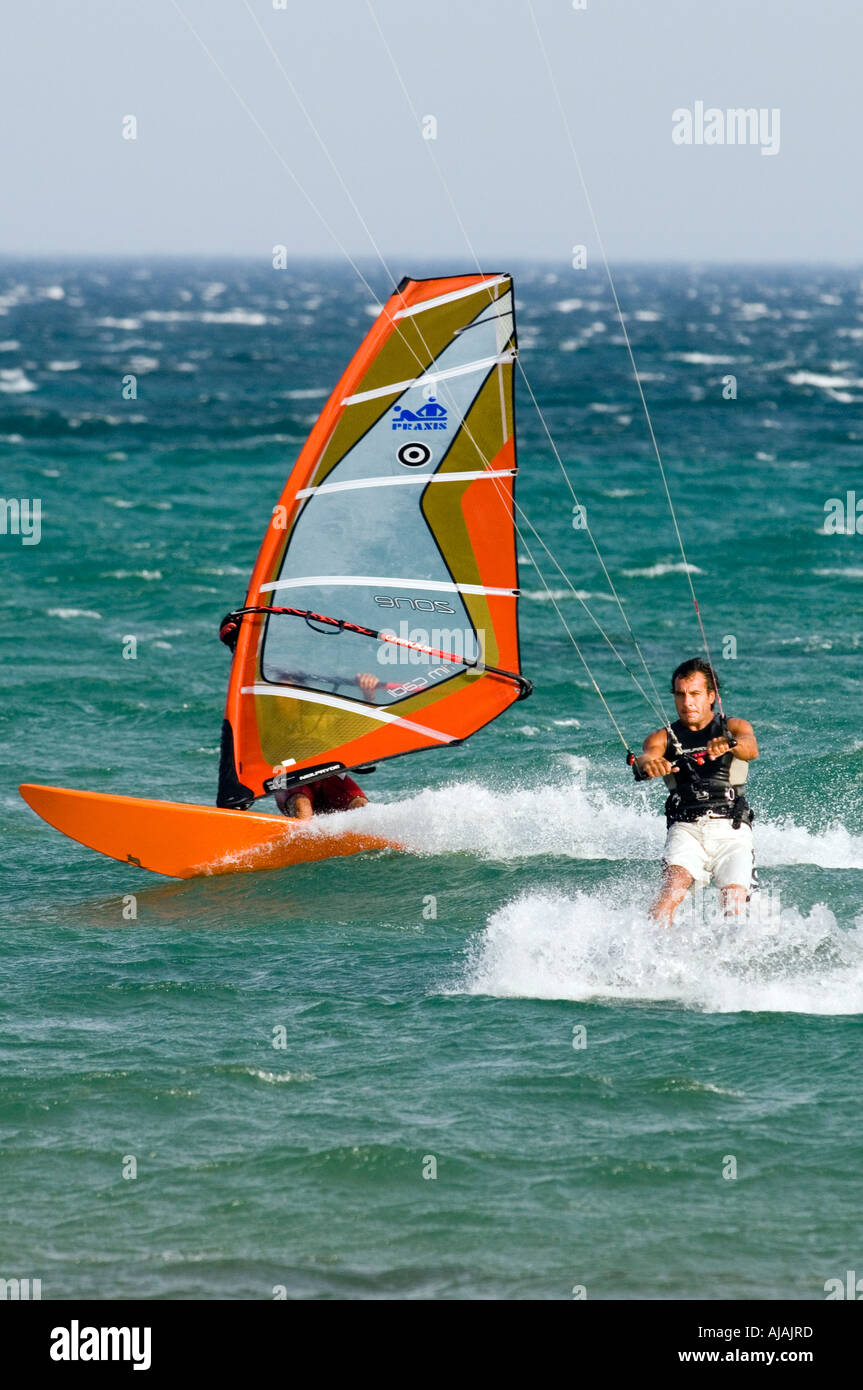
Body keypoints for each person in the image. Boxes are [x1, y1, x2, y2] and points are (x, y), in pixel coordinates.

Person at [634, 658, 759, 926]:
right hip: (686, 829)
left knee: (734, 903)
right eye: (680, 694)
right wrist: (650, 764)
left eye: (694, 694)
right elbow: (645, 758)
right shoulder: (661, 738)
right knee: (670, 892)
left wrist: (729, 744)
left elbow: (751, 748)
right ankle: (652, 957)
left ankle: (729, 960)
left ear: (711, 696)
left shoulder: (733, 727)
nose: (687, 702)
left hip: (732, 828)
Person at [275, 772, 368, 819]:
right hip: (289, 773)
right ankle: (306, 842)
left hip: (327, 769)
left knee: (361, 805)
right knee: (302, 805)